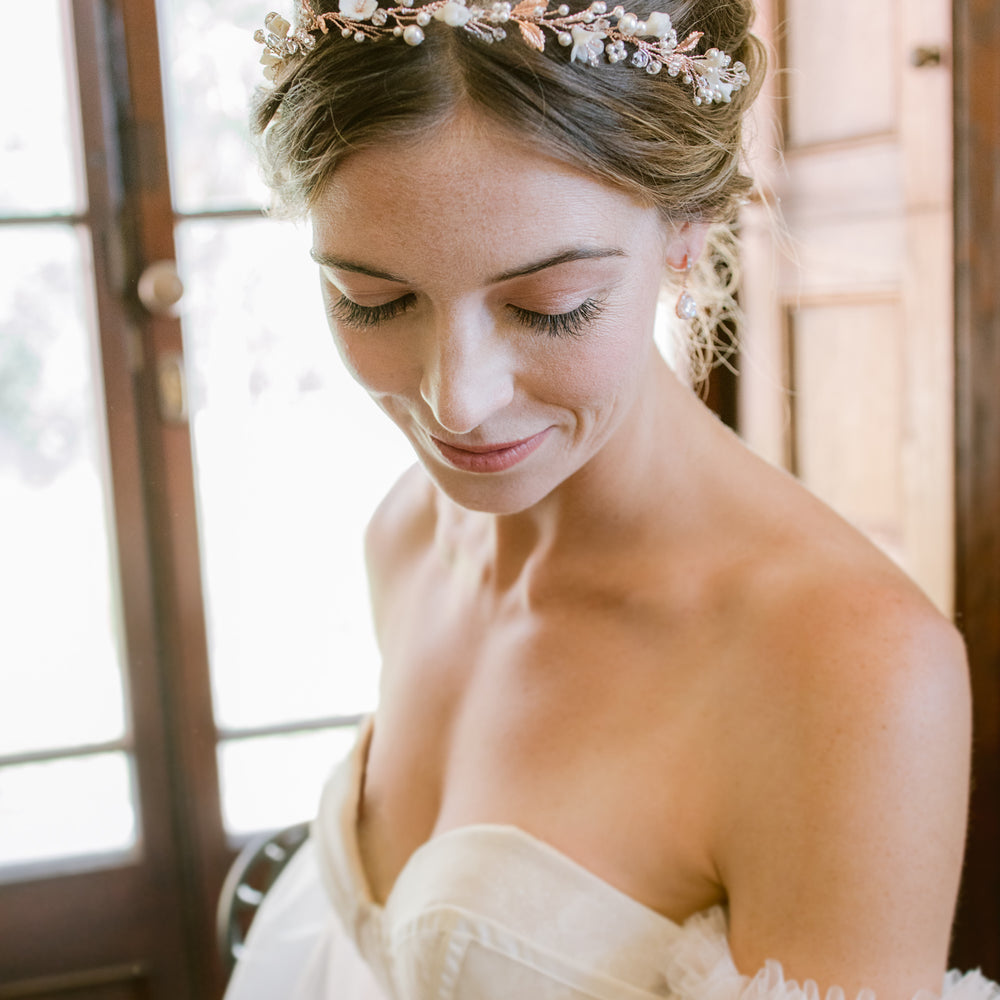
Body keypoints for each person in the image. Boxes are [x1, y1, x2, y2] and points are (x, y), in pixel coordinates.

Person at [225, 1, 996, 998]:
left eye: (549, 306)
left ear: (685, 235)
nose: (455, 400)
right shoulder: (407, 533)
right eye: (373, 300)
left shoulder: (852, 669)